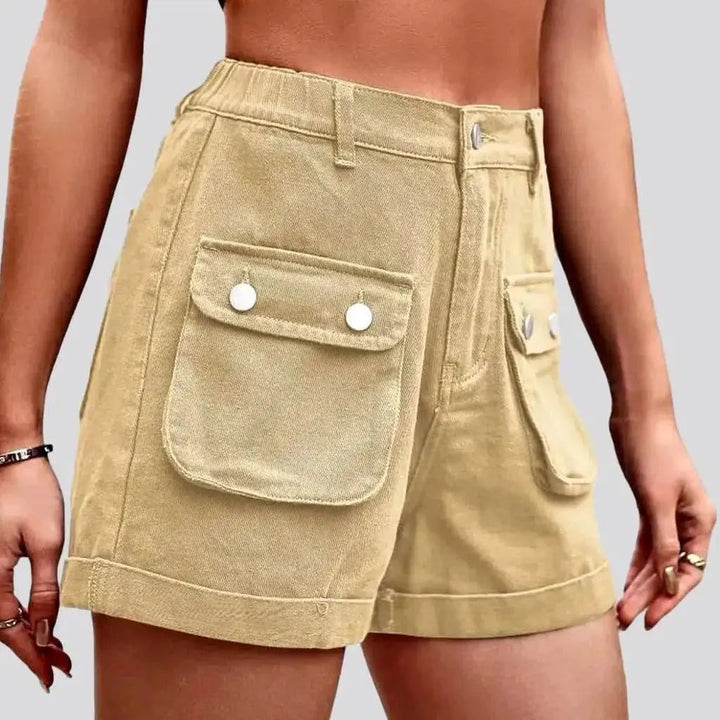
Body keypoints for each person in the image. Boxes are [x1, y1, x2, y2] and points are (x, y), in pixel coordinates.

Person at [0, 1, 714, 718]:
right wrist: (13, 437)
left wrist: (647, 409)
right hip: (273, 280)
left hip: (506, 301)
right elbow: (85, 47)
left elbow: (577, 51)